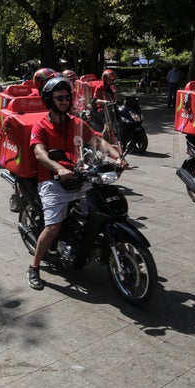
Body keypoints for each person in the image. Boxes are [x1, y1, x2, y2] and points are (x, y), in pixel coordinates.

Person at [27, 77, 125, 290]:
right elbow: (39, 152)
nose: (64, 101)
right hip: (52, 180)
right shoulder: (41, 125)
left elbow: (98, 141)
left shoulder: (76, 123)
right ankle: (34, 267)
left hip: (79, 176)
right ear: (49, 100)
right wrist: (58, 168)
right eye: (59, 98)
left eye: (67, 97)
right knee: (53, 226)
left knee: (99, 209)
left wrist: (117, 156)